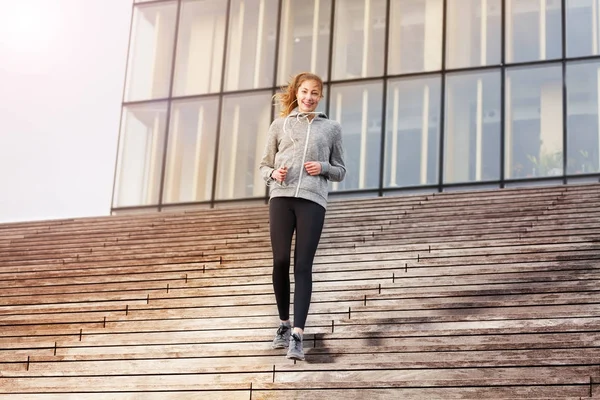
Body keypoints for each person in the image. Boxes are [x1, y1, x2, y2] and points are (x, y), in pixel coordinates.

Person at [259, 72, 346, 361]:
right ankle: (283, 323)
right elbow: (263, 166)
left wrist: (321, 166)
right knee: (280, 260)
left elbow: (340, 170)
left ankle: (297, 334)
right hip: (281, 198)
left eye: (315, 93)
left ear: (320, 97)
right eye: (305, 91)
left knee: (303, 265)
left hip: (313, 200)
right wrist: (274, 173)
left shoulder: (331, 128)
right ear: (297, 93)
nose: (309, 97)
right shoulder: (279, 125)